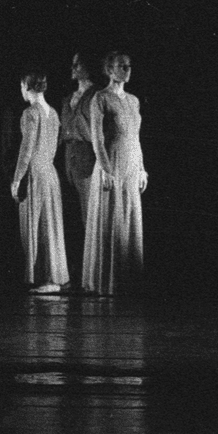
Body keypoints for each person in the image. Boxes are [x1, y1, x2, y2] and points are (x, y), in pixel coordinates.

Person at [84, 52, 147, 294]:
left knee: (129, 219)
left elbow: (136, 137)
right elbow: (97, 139)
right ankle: (107, 281)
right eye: (122, 66)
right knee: (112, 219)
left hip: (131, 165)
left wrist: (142, 168)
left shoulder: (133, 100)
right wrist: (107, 170)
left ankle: (128, 280)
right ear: (110, 70)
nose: (127, 69)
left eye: (129, 66)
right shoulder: (100, 98)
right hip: (112, 163)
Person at [10, 70, 69, 293]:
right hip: (50, 172)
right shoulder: (53, 113)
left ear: (26, 86)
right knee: (50, 225)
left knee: (34, 225)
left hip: (35, 173)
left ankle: (42, 277)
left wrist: (16, 179)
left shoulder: (30, 113)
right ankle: (51, 277)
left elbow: (26, 151)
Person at [59, 52, 99, 282]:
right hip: (69, 158)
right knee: (72, 217)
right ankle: (76, 271)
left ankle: (91, 274)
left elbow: (93, 131)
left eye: (78, 63)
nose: (73, 68)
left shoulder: (96, 95)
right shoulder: (68, 97)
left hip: (87, 159)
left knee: (88, 217)